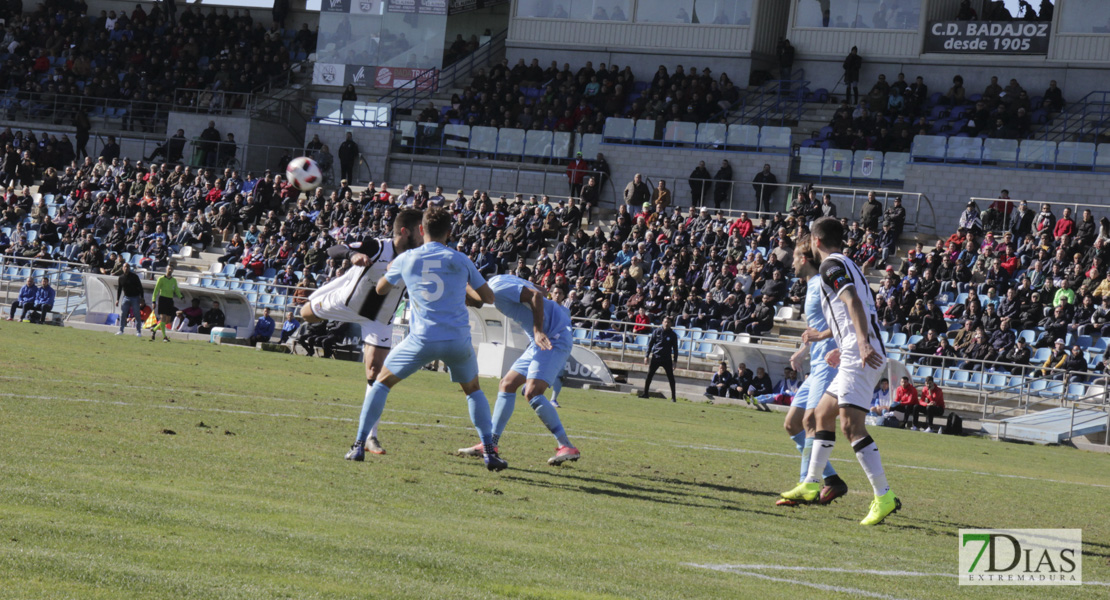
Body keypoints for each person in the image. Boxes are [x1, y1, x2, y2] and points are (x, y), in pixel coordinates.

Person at [345, 207, 504, 471]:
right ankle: (490, 452)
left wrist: (396, 271)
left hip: (422, 339)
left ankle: (358, 445)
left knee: (381, 384)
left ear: (421, 230)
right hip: (457, 340)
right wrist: (462, 289)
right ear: (450, 233)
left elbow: (381, 289)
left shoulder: (408, 258)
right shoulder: (461, 259)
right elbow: (488, 298)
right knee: (473, 390)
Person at [780, 217, 898, 526]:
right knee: (822, 414)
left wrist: (859, 343)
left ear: (816, 242)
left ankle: (883, 496)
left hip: (861, 354)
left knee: (851, 426)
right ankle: (811, 483)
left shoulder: (829, 266)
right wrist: (832, 339)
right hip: (853, 349)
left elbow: (853, 301)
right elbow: (852, 310)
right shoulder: (846, 263)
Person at [301, 208, 424, 456]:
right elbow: (333, 249)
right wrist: (353, 254)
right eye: (420, 231)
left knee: (375, 373)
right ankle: (333, 288)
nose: (424, 236)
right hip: (345, 302)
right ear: (404, 232)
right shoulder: (377, 245)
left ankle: (370, 436)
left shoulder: (417, 258)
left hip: (379, 317)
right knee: (306, 314)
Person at [457, 268, 580, 466]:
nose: (466, 303)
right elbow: (538, 288)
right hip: (539, 340)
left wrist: (539, 329)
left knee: (532, 392)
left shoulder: (497, 287)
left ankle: (566, 446)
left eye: (464, 297)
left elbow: (536, 294)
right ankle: (490, 445)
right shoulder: (499, 282)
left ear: (471, 287)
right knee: (507, 384)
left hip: (552, 337)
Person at [777, 234, 847, 507]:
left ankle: (806, 484)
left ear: (804, 259)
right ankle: (832, 480)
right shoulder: (811, 284)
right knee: (792, 424)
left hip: (829, 366)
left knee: (810, 423)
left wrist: (839, 347)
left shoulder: (821, 285)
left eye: (794, 258)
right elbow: (817, 327)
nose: (791, 263)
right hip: (816, 365)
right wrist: (803, 349)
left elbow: (844, 319)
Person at [639, 315, 679, 402]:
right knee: (649, 375)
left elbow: (675, 349)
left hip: (667, 359)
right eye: (665, 322)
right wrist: (646, 356)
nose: (666, 324)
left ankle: (673, 397)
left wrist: (675, 361)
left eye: (668, 322)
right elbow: (650, 344)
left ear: (670, 324)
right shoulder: (656, 331)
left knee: (671, 378)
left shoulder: (673, 335)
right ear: (662, 323)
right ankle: (645, 393)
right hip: (656, 357)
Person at [149, 265, 184, 342]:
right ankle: (165, 337)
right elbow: (156, 290)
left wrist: (181, 296)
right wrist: (153, 301)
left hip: (169, 300)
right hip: (163, 299)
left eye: (171, 268)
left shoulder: (174, 280)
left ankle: (154, 329)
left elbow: (176, 290)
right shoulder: (161, 279)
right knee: (163, 318)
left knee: (167, 321)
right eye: (169, 268)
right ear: (166, 269)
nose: (170, 270)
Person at [116, 262, 145, 336]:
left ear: (129, 268)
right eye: (125, 267)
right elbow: (119, 289)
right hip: (126, 297)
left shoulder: (134, 277)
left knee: (137, 314)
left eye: (127, 267)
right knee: (123, 314)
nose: (126, 268)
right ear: (122, 268)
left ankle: (138, 331)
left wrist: (142, 298)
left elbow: (140, 287)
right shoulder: (121, 278)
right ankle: (121, 330)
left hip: (135, 297)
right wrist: (117, 299)